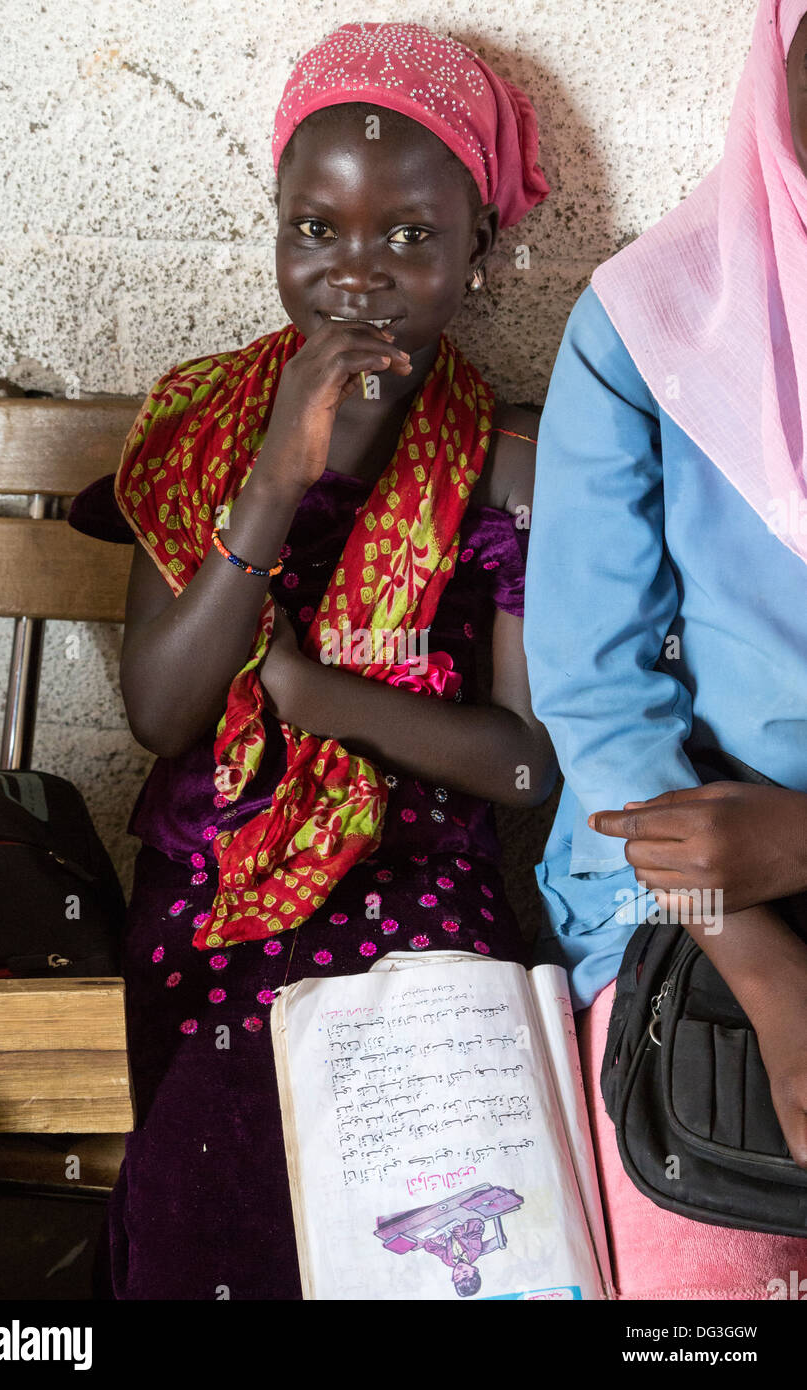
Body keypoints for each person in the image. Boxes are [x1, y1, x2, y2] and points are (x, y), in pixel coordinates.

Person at [70, 21, 554, 1300]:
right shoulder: (198, 428)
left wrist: (304, 693)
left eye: (410, 234)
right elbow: (163, 714)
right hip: (214, 885)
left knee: (419, 1202)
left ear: (477, 254)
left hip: (421, 891)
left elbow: (520, 769)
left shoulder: (501, 460)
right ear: (276, 231)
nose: (358, 272)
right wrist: (276, 476)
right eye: (317, 228)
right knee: (214, 1172)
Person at [524, 0, 807, 1298]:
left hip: (762, 850)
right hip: (675, 901)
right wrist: (765, 969)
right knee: (703, 1266)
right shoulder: (639, 336)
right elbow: (596, 701)